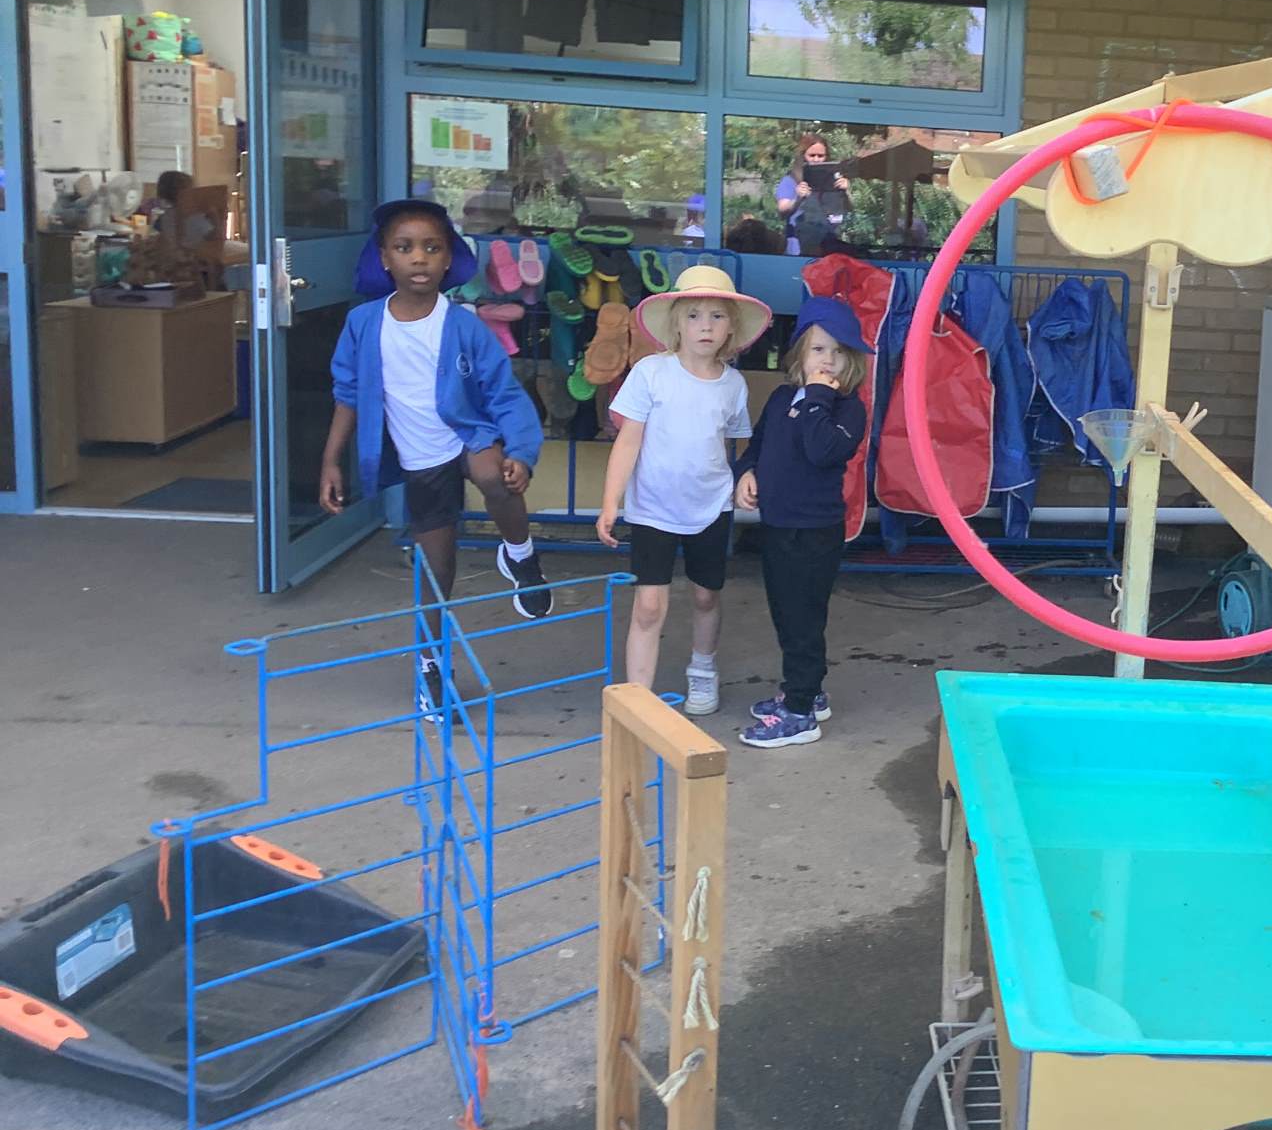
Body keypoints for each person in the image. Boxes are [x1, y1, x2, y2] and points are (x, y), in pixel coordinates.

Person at [321, 199, 553, 712]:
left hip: (467, 438)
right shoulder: (363, 323)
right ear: (385, 258)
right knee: (436, 572)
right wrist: (331, 461)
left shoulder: (463, 325)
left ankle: (520, 555)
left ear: (449, 259)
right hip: (420, 462)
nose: (419, 258)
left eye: (432, 247)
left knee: (495, 475)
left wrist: (521, 452)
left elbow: (503, 393)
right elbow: (347, 393)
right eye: (404, 248)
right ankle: (430, 666)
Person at [595, 265, 772, 713]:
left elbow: (736, 445)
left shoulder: (733, 385)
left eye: (717, 316)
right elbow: (628, 441)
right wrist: (611, 502)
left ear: (731, 328)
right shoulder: (650, 372)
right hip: (652, 508)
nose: (705, 326)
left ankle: (703, 670)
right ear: (676, 324)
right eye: (694, 316)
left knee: (706, 594)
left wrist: (745, 479)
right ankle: (637, 700)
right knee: (648, 605)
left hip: (711, 507)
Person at [732, 297, 870, 749]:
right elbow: (758, 446)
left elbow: (822, 450)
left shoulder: (847, 409)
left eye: (838, 352)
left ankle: (799, 713)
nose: (827, 360)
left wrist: (818, 397)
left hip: (814, 530)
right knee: (784, 612)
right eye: (818, 349)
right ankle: (807, 691)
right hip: (777, 523)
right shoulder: (779, 398)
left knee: (803, 619)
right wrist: (746, 472)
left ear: (851, 361)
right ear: (799, 354)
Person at [775, 134, 851, 255]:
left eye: (820, 156)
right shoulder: (791, 180)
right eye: (812, 155)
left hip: (827, 246)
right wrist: (798, 197)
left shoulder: (833, 182)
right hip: (798, 247)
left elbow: (848, 210)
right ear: (803, 156)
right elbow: (782, 209)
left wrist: (845, 191)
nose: (816, 160)